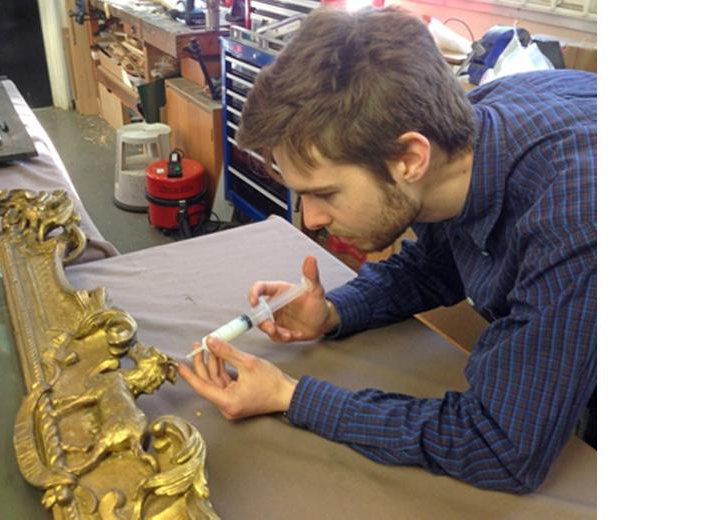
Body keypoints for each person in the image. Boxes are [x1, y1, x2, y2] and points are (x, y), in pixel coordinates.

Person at [177, 5, 596, 494]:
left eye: (325, 193)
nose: (310, 220)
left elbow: (500, 446)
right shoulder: (473, 128)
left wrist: (289, 396)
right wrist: (334, 312)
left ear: (410, 158)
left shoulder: (574, 218)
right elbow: (437, 263)